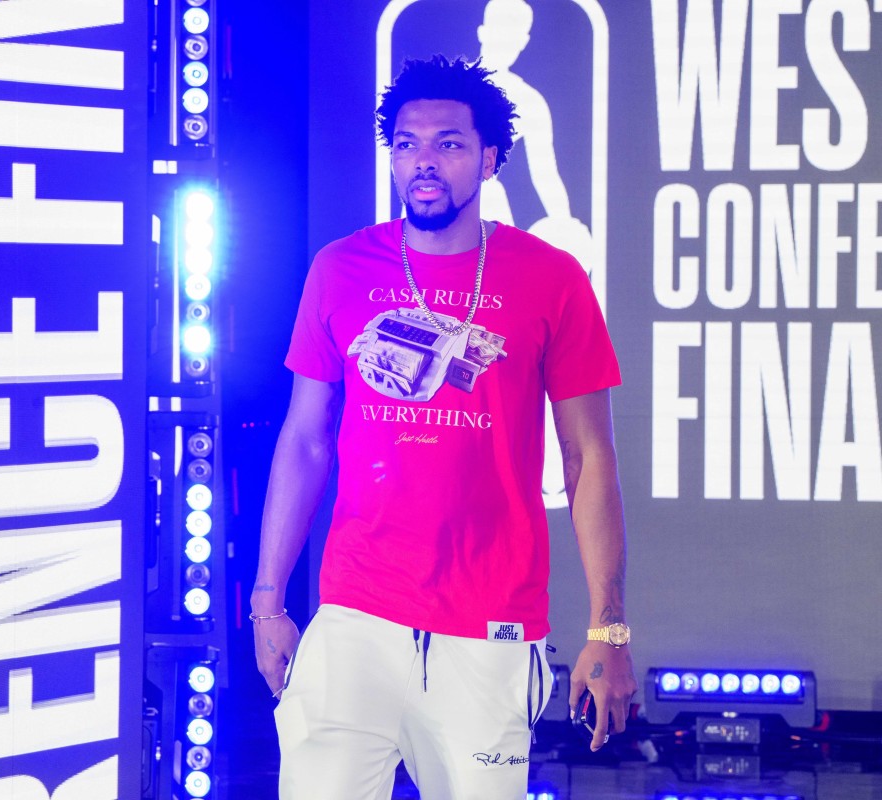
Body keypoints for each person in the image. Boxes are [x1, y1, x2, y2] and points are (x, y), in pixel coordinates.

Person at [250, 55, 636, 800]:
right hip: (355, 617)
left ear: (489, 159)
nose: (424, 162)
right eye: (408, 144)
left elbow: (588, 458)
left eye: (449, 144)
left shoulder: (551, 278)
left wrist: (608, 626)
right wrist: (269, 600)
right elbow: (304, 440)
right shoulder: (340, 269)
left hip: (489, 626)